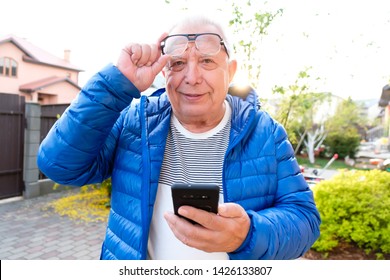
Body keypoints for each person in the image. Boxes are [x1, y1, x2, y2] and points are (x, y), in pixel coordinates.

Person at [37, 15, 320, 260]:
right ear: (164, 71)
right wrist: (115, 84)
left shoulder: (265, 133)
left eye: (207, 61)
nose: (192, 77)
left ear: (231, 71)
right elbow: (60, 166)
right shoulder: (136, 123)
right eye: (178, 63)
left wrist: (247, 234)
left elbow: (305, 220)